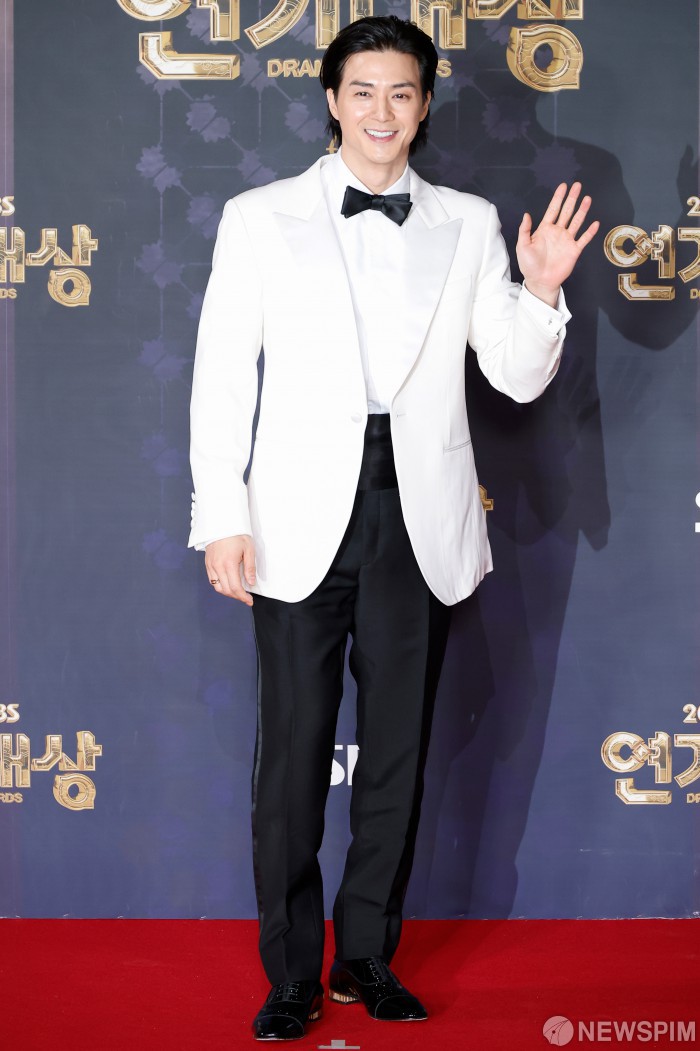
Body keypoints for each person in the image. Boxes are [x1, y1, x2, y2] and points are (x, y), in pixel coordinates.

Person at [188, 15, 598, 1041]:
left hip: (419, 512)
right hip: (294, 515)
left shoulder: (467, 220)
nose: (382, 111)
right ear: (332, 100)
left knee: (398, 753)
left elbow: (512, 374)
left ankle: (365, 955)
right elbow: (221, 375)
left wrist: (543, 289)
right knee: (291, 759)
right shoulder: (258, 217)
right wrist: (222, 514)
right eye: (362, 91)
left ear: (423, 106)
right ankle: (291, 972)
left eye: (402, 92)